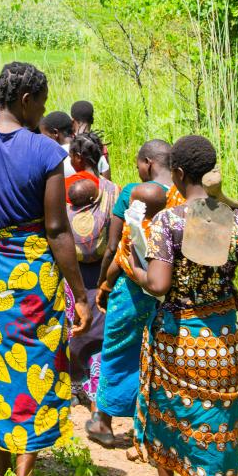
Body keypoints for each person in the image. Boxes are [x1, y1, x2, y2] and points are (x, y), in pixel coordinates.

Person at [0, 61, 92, 476]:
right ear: (27, 101)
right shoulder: (47, 152)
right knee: (37, 367)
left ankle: (0, 467)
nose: (45, 114)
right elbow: (56, 229)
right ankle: (26, 469)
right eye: (43, 104)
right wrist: (79, 295)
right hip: (34, 280)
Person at [127, 135, 238, 476]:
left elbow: (159, 284)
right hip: (222, 347)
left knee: (169, 425)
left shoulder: (168, 221)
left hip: (176, 343)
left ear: (177, 173)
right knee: (215, 434)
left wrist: (137, 271)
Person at [89, 140, 174, 445]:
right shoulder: (183, 196)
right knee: (155, 355)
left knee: (117, 349)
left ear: (148, 162)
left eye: (139, 163)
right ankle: (148, 429)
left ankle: (103, 420)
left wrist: (105, 283)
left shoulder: (133, 194)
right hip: (170, 291)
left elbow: (117, 247)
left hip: (132, 288)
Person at [63, 132, 118, 416]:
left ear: (76, 158)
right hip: (103, 274)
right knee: (100, 332)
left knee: (74, 326)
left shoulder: (63, 188)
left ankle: (73, 387)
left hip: (70, 273)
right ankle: (98, 393)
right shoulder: (113, 190)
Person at [40, 111, 111, 179]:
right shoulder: (91, 149)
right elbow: (108, 185)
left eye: (45, 136)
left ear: (55, 133)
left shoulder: (52, 159)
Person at [70, 101, 111, 180]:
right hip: (96, 190)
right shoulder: (100, 146)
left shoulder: (67, 146)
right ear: (92, 120)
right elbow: (108, 185)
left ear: (72, 121)